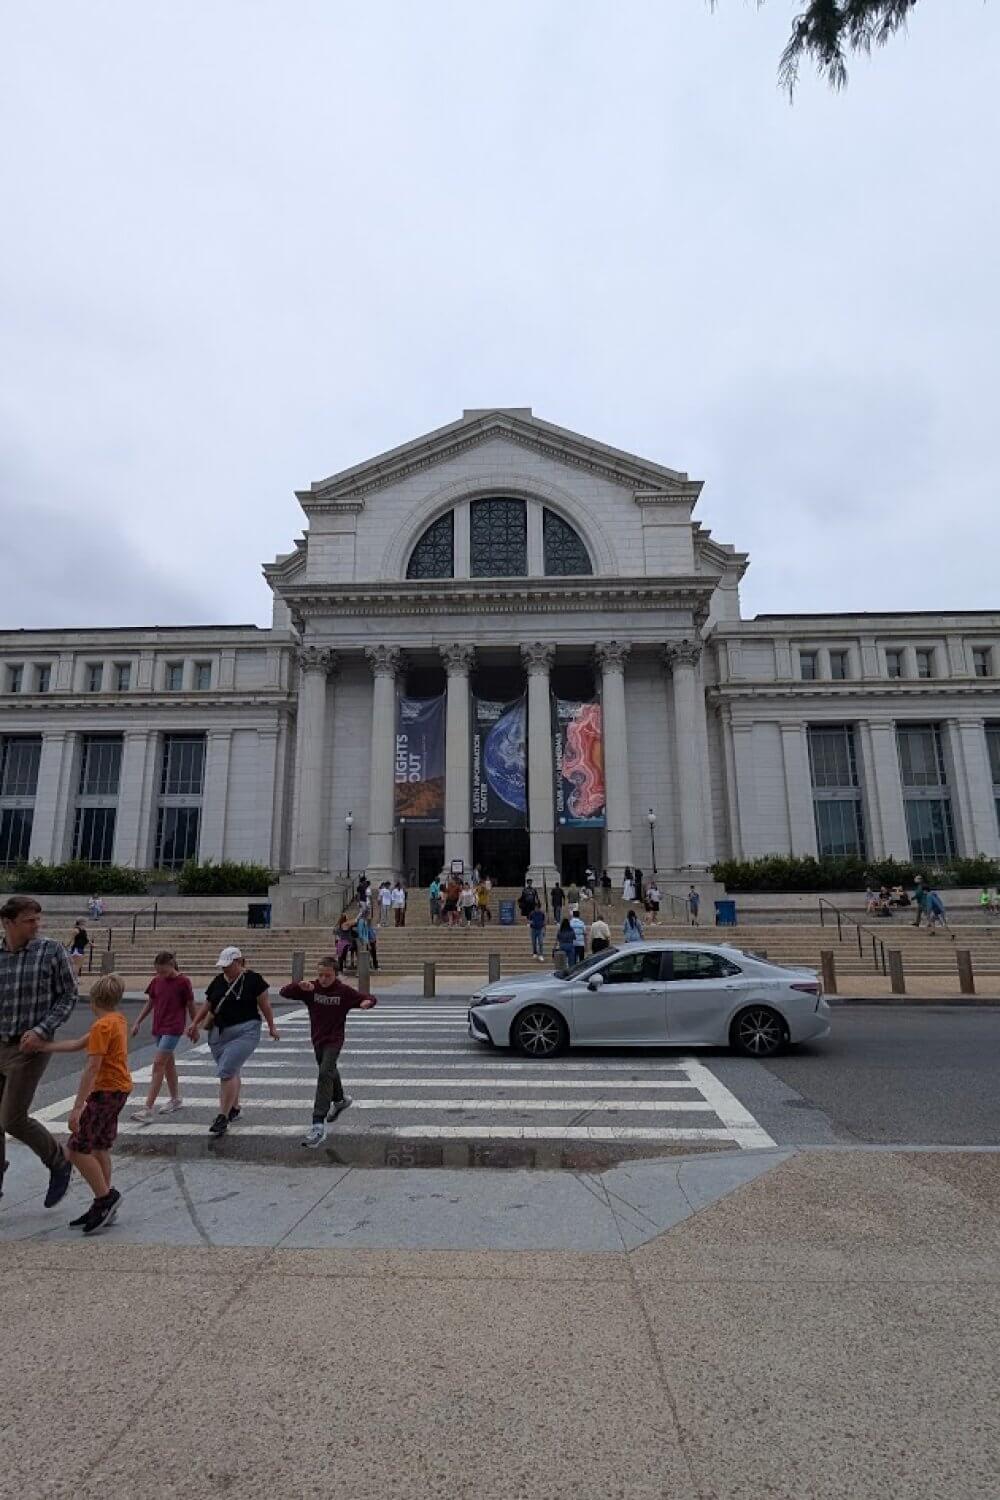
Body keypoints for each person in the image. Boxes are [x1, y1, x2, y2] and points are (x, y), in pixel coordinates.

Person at [38, 972, 132, 1233]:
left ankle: (105, 1198)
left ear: (93, 1000)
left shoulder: (102, 1026)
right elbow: (78, 1044)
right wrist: (43, 1046)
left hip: (105, 1091)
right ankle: (103, 1202)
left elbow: (92, 1067)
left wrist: (78, 1106)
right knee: (100, 1146)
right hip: (119, 1090)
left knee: (78, 1149)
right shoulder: (117, 1020)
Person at [0, 895, 77, 1207]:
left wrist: (42, 1030)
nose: (36, 925)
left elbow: (68, 995)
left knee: (12, 1119)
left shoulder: (50, 950)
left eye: (37, 919)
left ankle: (58, 1160)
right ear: (7, 923)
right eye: (29, 920)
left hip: (29, 1046)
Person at [279, 956, 377, 1147]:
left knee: (324, 1073)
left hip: (334, 1039)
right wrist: (299, 986)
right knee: (329, 1070)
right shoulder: (311, 988)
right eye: (320, 975)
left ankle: (317, 1124)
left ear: (336, 974)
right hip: (317, 1039)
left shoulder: (343, 991)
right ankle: (340, 1100)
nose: (323, 979)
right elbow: (284, 992)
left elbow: (368, 997)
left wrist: (367, 1003)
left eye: (328, 975)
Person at [187, 947, 280, 1138]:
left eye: (228, 966)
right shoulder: (219, 981)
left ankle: (223, 1116)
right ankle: (234, 1106)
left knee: (226, 1070)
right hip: (219, 1032)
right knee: (231, 1069)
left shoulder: (254, 979)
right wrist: (195, 1023)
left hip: (246, 1030)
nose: (225, 970)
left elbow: (265, 1004)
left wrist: (272, 1026)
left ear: (239, 962)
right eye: (223, 966)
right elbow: (209, 1004)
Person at [130, 950, 196, 1122]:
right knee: (168, 1065)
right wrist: (138, 1021)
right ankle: (175, 1099)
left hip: (173, 1027)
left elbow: (190, 1005)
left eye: (163, 971)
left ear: (172, 965)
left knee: (158, 1064)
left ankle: (148, 1108)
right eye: (158, 971)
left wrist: (194, 1025)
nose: (160, 975)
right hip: (159, 1026)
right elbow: (151, 1002)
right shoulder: (157, 981)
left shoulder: (183, 981)